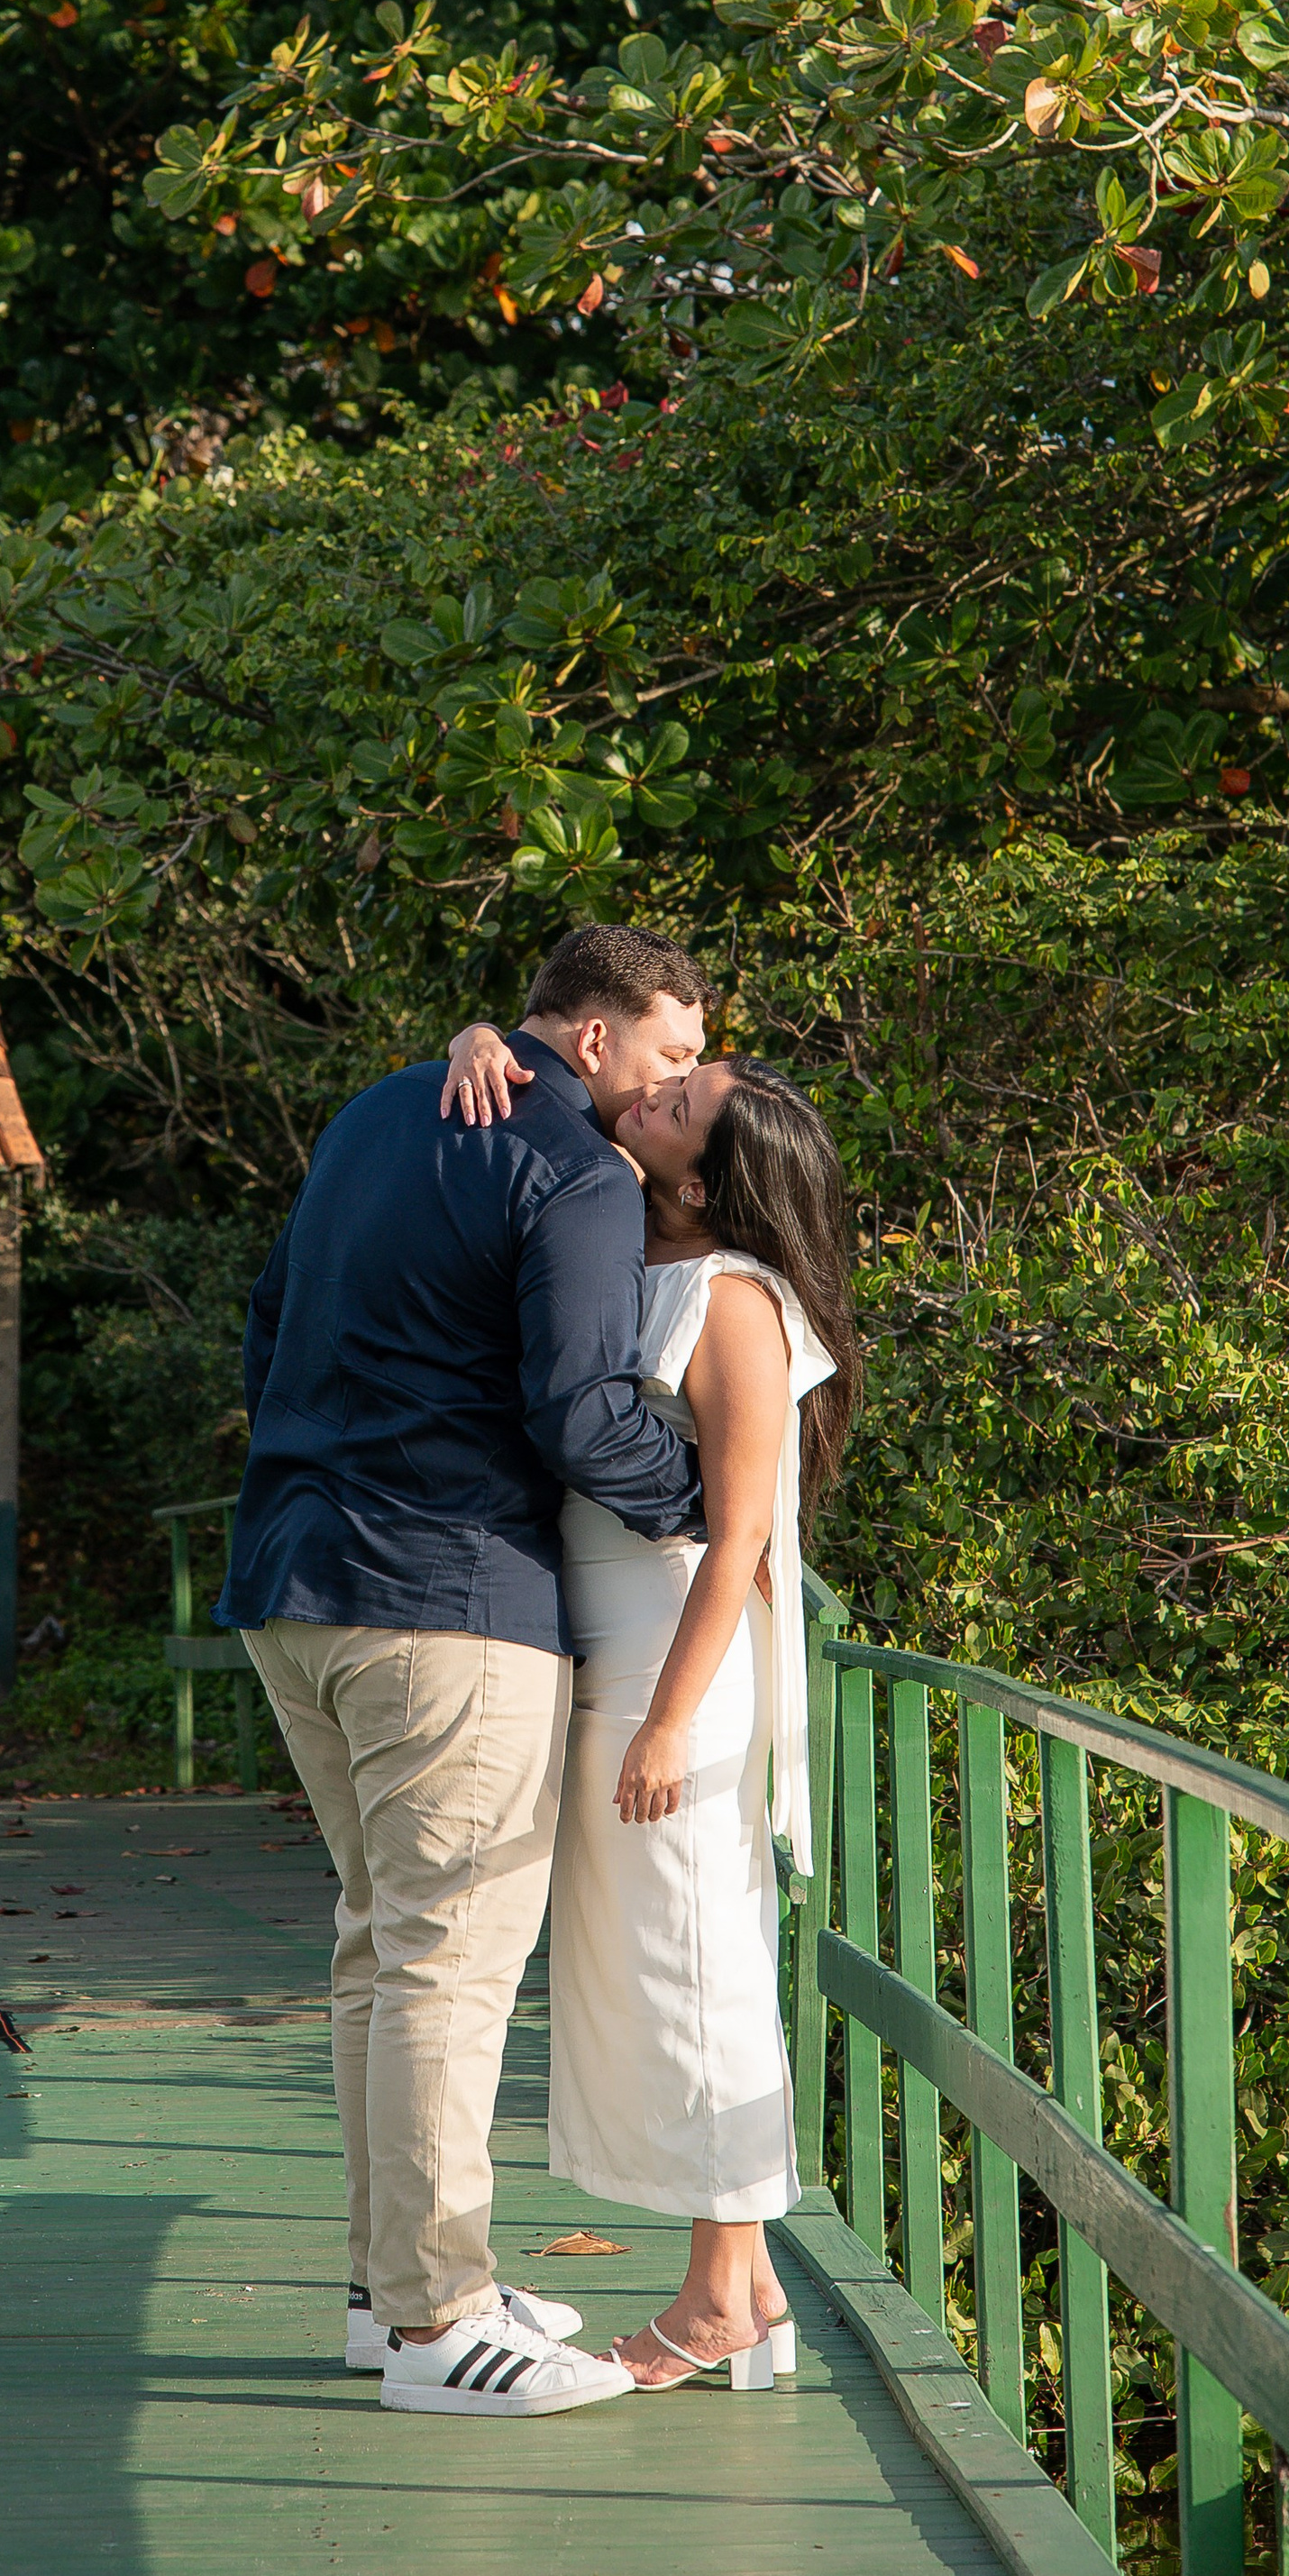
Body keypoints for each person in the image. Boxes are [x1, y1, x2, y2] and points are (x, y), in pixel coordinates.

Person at [217, 925, 713, 2418]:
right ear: (593, 1043)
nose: (681, 1084)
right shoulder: (574, 1174)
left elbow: (265, 1320)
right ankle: (438, 2329)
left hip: (294, 1577)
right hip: (449, 1598)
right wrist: (713, 1496)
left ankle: (394, 2295)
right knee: (444, 1959)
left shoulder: (371, 1112)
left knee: (383, 1944)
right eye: (674, 1056)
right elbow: (579, 1414)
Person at [441, 1025, 859, 2391]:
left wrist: (672, 1721)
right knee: (663, 1967)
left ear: (700, 1177)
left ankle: (716, 2303)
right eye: (669, 1075)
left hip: (675, 1667)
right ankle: (748, 2292)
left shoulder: (734, 1298)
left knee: (698, 1972)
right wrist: (476, 1040)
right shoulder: (637, 1249)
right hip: (611, 1655)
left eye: (680, 1103)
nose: (650, 1092)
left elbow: (740, 1535)